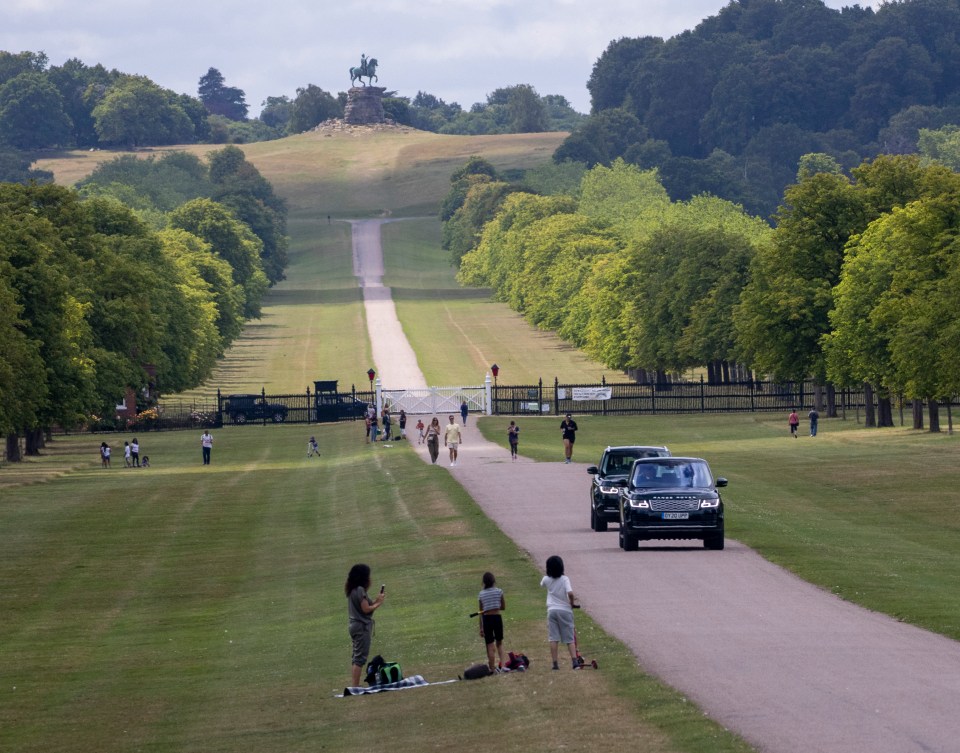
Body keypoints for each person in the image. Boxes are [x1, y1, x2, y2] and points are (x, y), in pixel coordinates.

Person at [345, 563, 386, 688]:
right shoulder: (360, 590)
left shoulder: (353, 590)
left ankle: (355, 686)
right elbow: (366, 609)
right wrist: (378, 603)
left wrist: (376, 600)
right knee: (360, 659)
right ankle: (355, 687)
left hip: (354, 626)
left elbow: (366, 606)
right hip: (361, 627)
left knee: (356, 657)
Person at [540, 555, 579, 670]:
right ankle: (574, 661)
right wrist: (571, 603)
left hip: (552, 610)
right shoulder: (565, 579)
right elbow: (570, 593)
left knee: (553, 637)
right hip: (565, 610)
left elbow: (542, 584)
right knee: (569, 637)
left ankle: (555, 664)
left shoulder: (546, 579)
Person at [478, 572, 506, 673]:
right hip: (497, 618)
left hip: (486, 619)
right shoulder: (499, 591)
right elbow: (503, 607)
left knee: (489, 644)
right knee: (499, 642)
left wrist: (481, 627)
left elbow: (481, 612)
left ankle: (492, 668)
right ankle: (503, 666)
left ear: (484, 582)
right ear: (494, 581)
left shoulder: (481, 594)